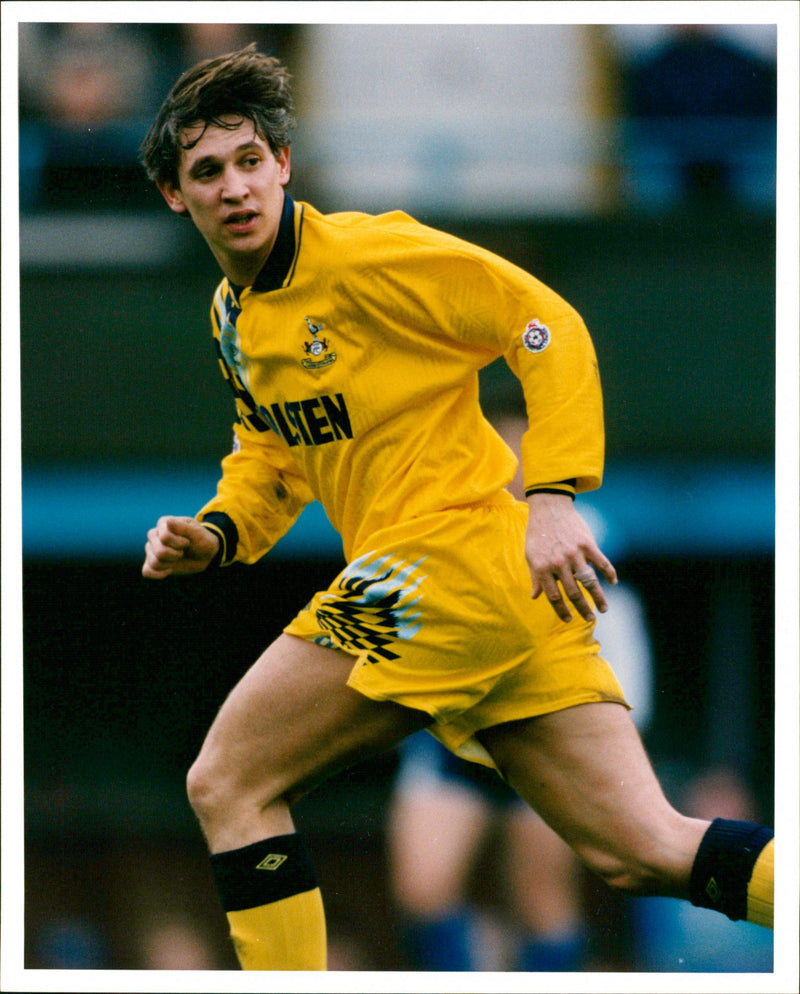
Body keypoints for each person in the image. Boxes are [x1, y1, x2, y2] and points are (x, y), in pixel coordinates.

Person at [139, 44, 774, 971]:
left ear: (283, 166)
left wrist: (553, 495)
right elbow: (273, 457)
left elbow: (546, 324)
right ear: (173, 194)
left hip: (446, 563)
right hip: (497, 592)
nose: (234, 188)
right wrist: (222, 531)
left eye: (249, 162)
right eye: (206, 172)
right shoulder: (232, 316)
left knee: (228, 780)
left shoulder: (366, 253)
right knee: (643, 848)